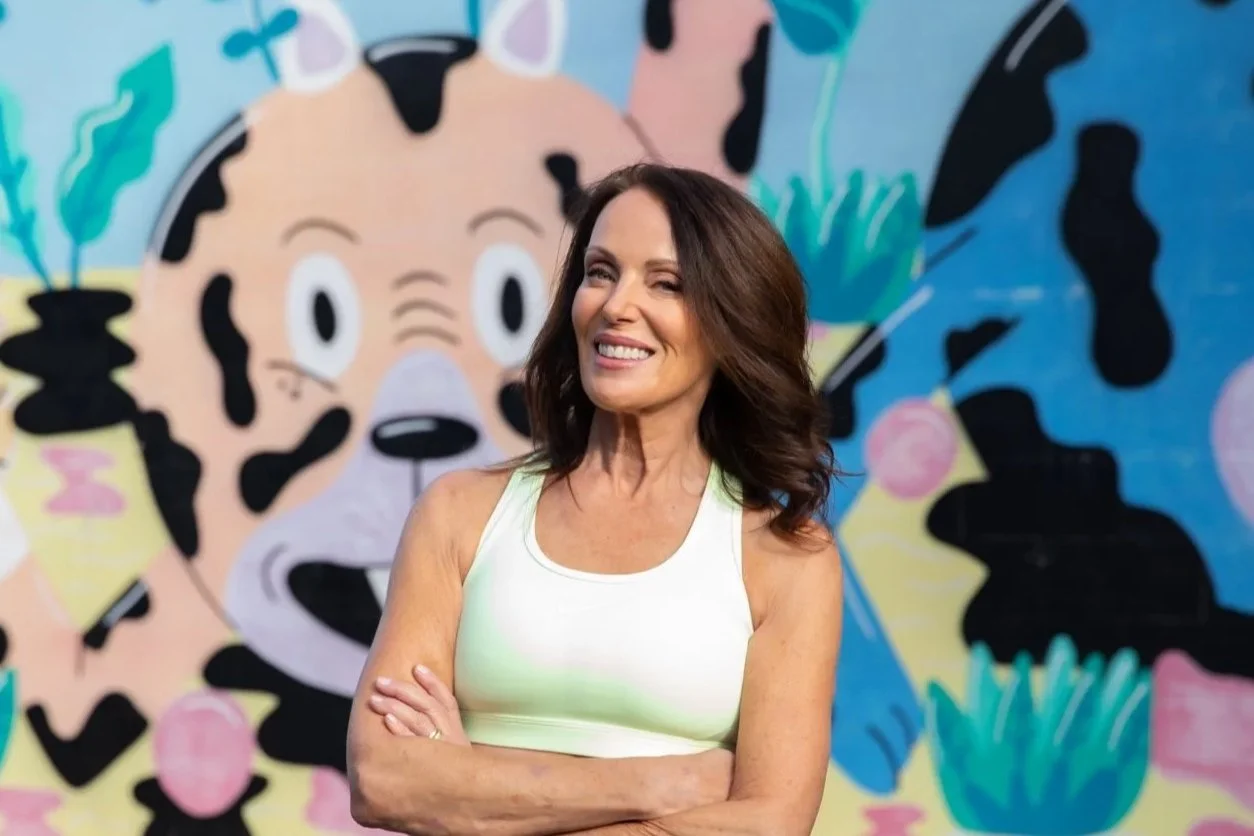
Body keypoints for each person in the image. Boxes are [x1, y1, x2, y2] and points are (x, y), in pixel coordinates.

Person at [346, 162, 844, 836]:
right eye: (600, 272)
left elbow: (768, 824)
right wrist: (663, 784)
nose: (615, 305)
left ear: (732, 323)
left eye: (665, 283)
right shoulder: (460, 514)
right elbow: (384, 778)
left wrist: (472, 789)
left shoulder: (784, 556)